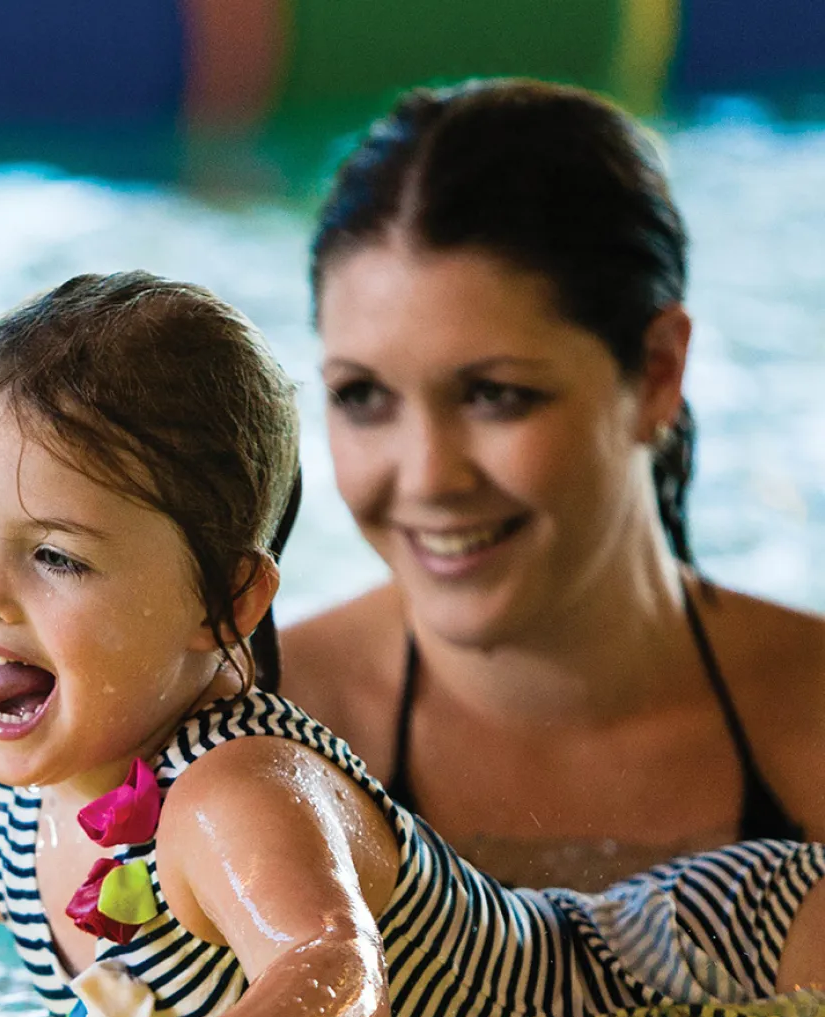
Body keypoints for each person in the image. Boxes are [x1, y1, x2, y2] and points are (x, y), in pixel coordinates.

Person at [0, 273, 824, 1017]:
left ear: (226, 599)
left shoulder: (232, 791)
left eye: (54, 555)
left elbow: (337, 968)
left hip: (715, 955)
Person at [281, 79, 825, 891]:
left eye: (496, 395)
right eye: (362, 396)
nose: (428, 476)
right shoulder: (254, 736)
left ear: (656, 372)